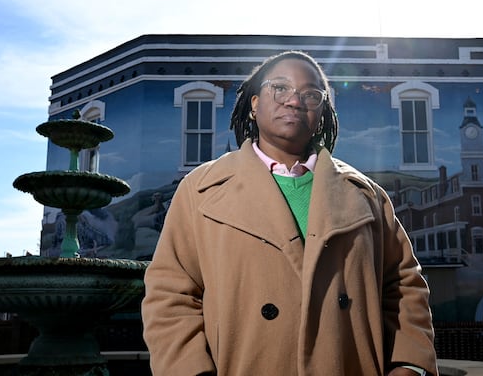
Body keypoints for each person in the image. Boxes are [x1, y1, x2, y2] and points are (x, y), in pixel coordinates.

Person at [142, 50, 438, 375]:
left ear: (321, 111)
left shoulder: (367, 196)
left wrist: (410, 366)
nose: (294, 101)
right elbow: (170, 295)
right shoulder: (200, 190)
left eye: (311, 94)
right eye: (279, 88)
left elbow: (404, 285)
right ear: (254, 104)